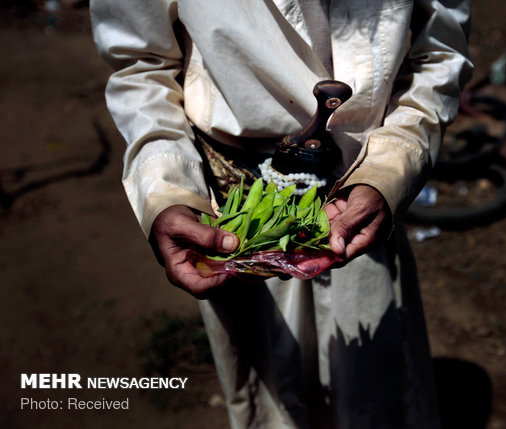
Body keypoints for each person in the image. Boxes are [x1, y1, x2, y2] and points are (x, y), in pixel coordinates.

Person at [91, 1, 473, 427]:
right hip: (234, 217)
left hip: (357, 206)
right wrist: (166, 190)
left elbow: (437, 56)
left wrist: (388, 171)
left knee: (373, 388)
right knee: (271, 393)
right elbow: (141, 64)